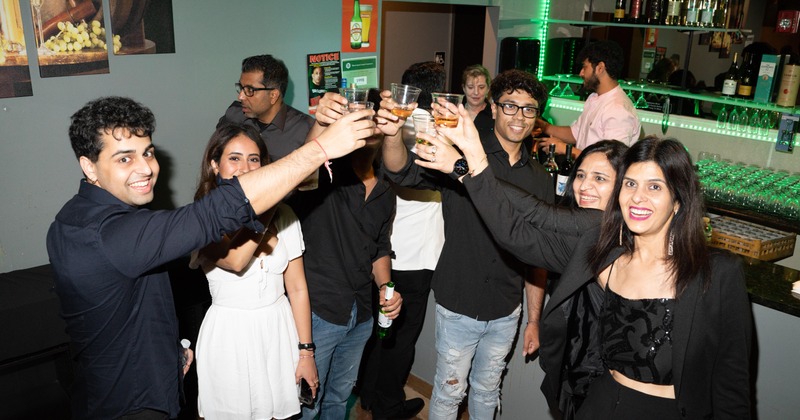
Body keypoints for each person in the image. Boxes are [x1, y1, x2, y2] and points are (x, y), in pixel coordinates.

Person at [46, 96, 374, 419]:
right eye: (124, 159)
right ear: (89, 166)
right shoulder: (114, 234)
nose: (145, 168)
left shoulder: (71, 219)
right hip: (131, 402)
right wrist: (321, 148)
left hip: (125, 383)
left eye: (147, 152)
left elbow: (121, 311)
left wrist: (170, 351)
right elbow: (221, 216)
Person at [415, 113, 753, 419]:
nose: (638, 197)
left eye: (654, 187)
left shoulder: (717, 274)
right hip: (598, 405)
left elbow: (732, 386)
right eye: (631, 185)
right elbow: (517, 230)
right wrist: (470, 163)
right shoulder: (604, 253)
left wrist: (469, 164)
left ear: (678, 201)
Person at [380, 69, 554, 420]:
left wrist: (533, 319)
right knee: (448, 394)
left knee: (489, 392)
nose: (519, 116)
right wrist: (393, 133)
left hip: (506, 310)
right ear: (492, 108)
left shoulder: (540, 179)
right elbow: (400, 170)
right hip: (459, 302)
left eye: (529, 109)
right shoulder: (456, 156)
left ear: (537, 118)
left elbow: (537, 260)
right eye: (510, 106)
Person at [191, 124, 318, 419]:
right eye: (234, 158)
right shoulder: (201, 216)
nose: (246, 168)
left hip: (278, 329)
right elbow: (235, 261)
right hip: (230, 335)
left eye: (254, 159)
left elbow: (297, 288)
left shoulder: (286, 216)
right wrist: (270, 200)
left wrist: (306, 353)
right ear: (214, 165)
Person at [288, 127, 402, 420]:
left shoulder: (386, 192)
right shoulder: (324, 176)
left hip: (361, 315)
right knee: (307, 405)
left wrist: (386, 288)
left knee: (338, 400)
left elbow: (380, 248)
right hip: (318, 312)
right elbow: (301, 168)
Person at [358, 61, 446, 420]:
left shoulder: (387, 125)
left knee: (382, 332)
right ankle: (388, 407)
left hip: (383, 250)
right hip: (415, 254)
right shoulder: (430, 130)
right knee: (401, 341)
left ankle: (370, 395)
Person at [537, 40, 641, 157]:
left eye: (584, 67)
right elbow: (575, 133)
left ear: (600, 68)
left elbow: (610, 159)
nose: (581, 73)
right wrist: (542, 126)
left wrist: (566, 149)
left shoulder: (618, 109)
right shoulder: (594, 97)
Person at [219, 54, 314, 163]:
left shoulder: (305, 129)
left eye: (250, 90)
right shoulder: (234, 114)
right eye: (241, 87)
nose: (240, 96)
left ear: (273, 95)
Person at [461, 64, 494, 131]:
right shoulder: (454, 111)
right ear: (464, 88)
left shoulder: (494, 115)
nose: (476, 92)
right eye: (470, 87)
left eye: (481, 87)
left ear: (488, 89)